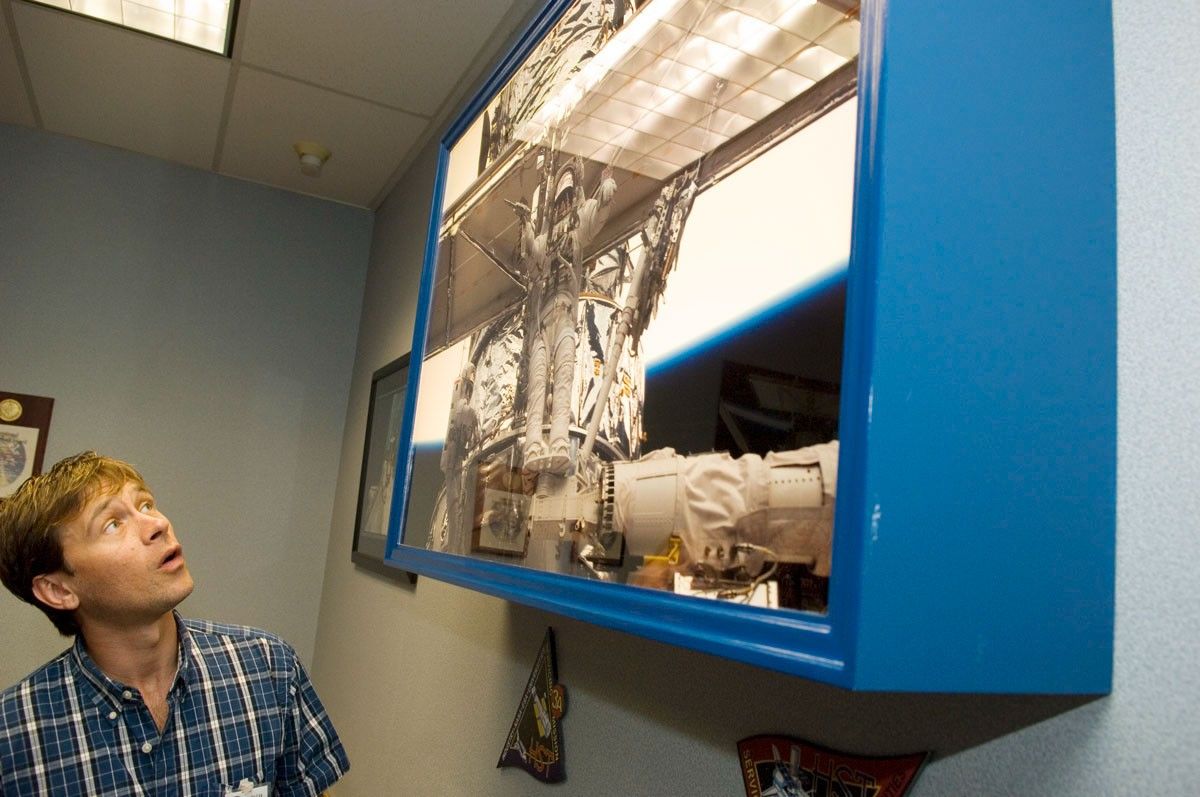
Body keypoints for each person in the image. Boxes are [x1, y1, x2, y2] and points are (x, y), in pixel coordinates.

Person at [0, 451, 349, 796]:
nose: (157, 524)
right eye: (112, 524)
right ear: (58, 590)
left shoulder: (269, 668)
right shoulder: (13, 737)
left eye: (146, 505)